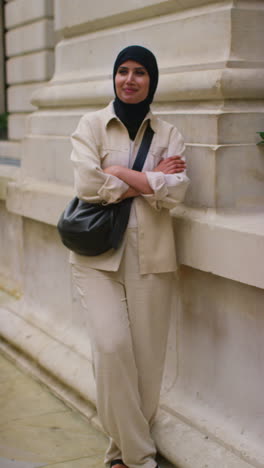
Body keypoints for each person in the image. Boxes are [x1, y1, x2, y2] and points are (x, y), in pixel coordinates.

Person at [70, 45, 190, 468]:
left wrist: (120, 174)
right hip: (96, 258)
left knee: (147, 366)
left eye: (140, 72)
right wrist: (149, 180)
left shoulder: (169, 133)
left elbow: (178, 192)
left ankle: (118, 456)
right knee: (111, 347)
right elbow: (88, 183)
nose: (130, 79)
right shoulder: (91, 125)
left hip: (152, 258)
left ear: (151, 80)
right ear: (114, 77)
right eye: (123, 71)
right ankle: (142, 458)